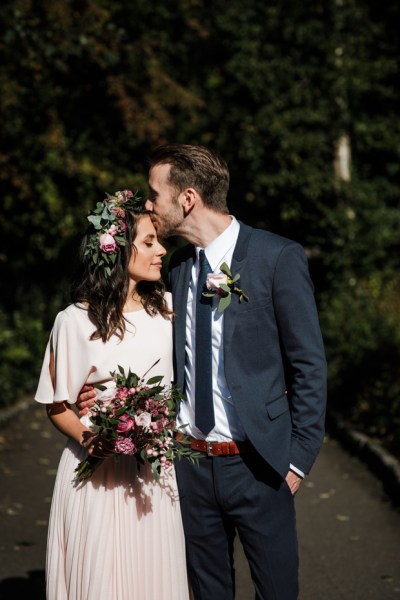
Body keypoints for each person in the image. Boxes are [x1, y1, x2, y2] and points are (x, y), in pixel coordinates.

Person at [78, 145, 327, 600]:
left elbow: (308, 364)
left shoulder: (277, 257)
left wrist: (297, 459)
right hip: (189, 469)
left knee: (277, 592)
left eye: (155, 193)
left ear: (187, 198)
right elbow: (141, 342)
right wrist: (99, 391)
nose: (149, 204)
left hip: (260, 466)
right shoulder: (176, 268)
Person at [35, 190, 190, 600]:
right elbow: (57, 405)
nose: (161, 251)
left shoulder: (170, 313)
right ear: (118, 253)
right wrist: (93, 438)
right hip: (95, 473)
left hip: (153, 477)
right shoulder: (73, 321)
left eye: (160, 241)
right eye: (150, 242)